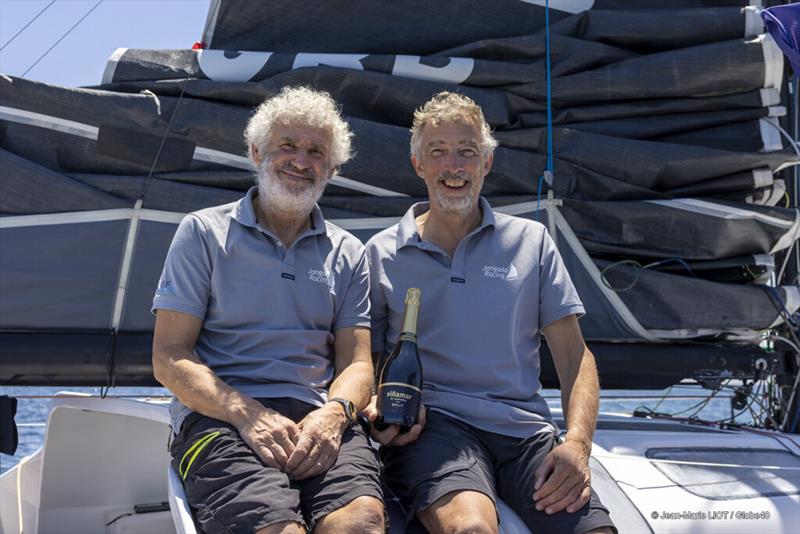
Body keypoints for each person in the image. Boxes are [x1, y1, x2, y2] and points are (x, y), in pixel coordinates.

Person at [364, 92, 615, 534]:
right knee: (473, 529)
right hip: (434, 427)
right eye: (438, 152)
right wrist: (373, 408)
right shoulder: (381, 253)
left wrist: (578, 443)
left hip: (526, 433)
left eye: (467, 152)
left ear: (487, 162)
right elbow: (364, 360)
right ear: (418, 165)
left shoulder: (532, 242)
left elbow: (575, 357)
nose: (453, 166)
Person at [152, 86, 384, 534]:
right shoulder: (202, 233)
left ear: (332, 169)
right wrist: (247, 413)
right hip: (221, 418)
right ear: (257, 152)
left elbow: (357, 364)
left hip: (319, 417)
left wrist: (334, 415)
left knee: (364, 521)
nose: (301, 160)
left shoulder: (348, 252)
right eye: (288, 145)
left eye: (316, 152)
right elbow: (169, 357)